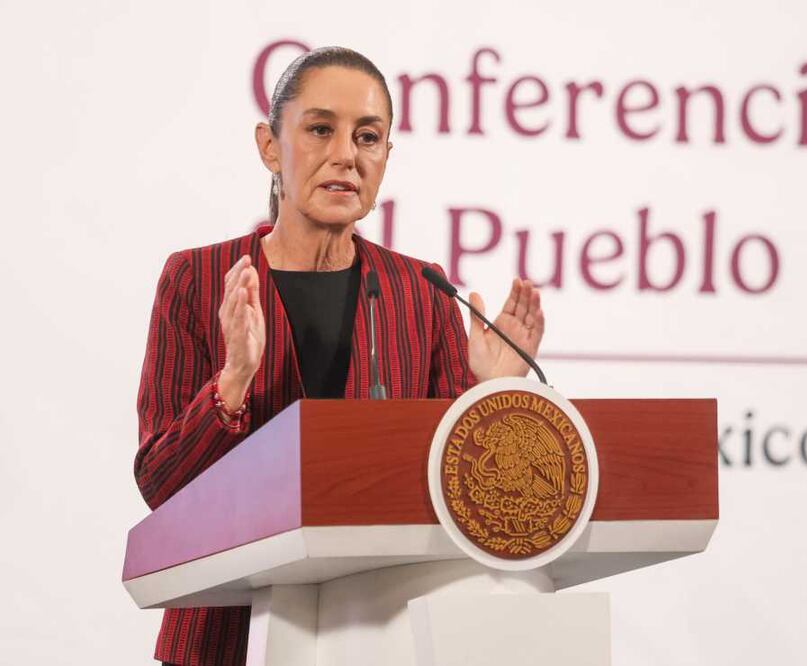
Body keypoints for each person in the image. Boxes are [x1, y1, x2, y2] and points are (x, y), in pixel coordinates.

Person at [134, 46, 544, 666]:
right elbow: (159, 484)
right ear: (271, 147)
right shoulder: (198, 278)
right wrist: (234, 381)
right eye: (320, 129)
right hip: (226, 636)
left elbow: (459, 494)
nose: (346, 155)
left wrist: (489, 399)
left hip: (378, 633)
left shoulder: (421, 290)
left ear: (384, 158)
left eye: (368, 137)